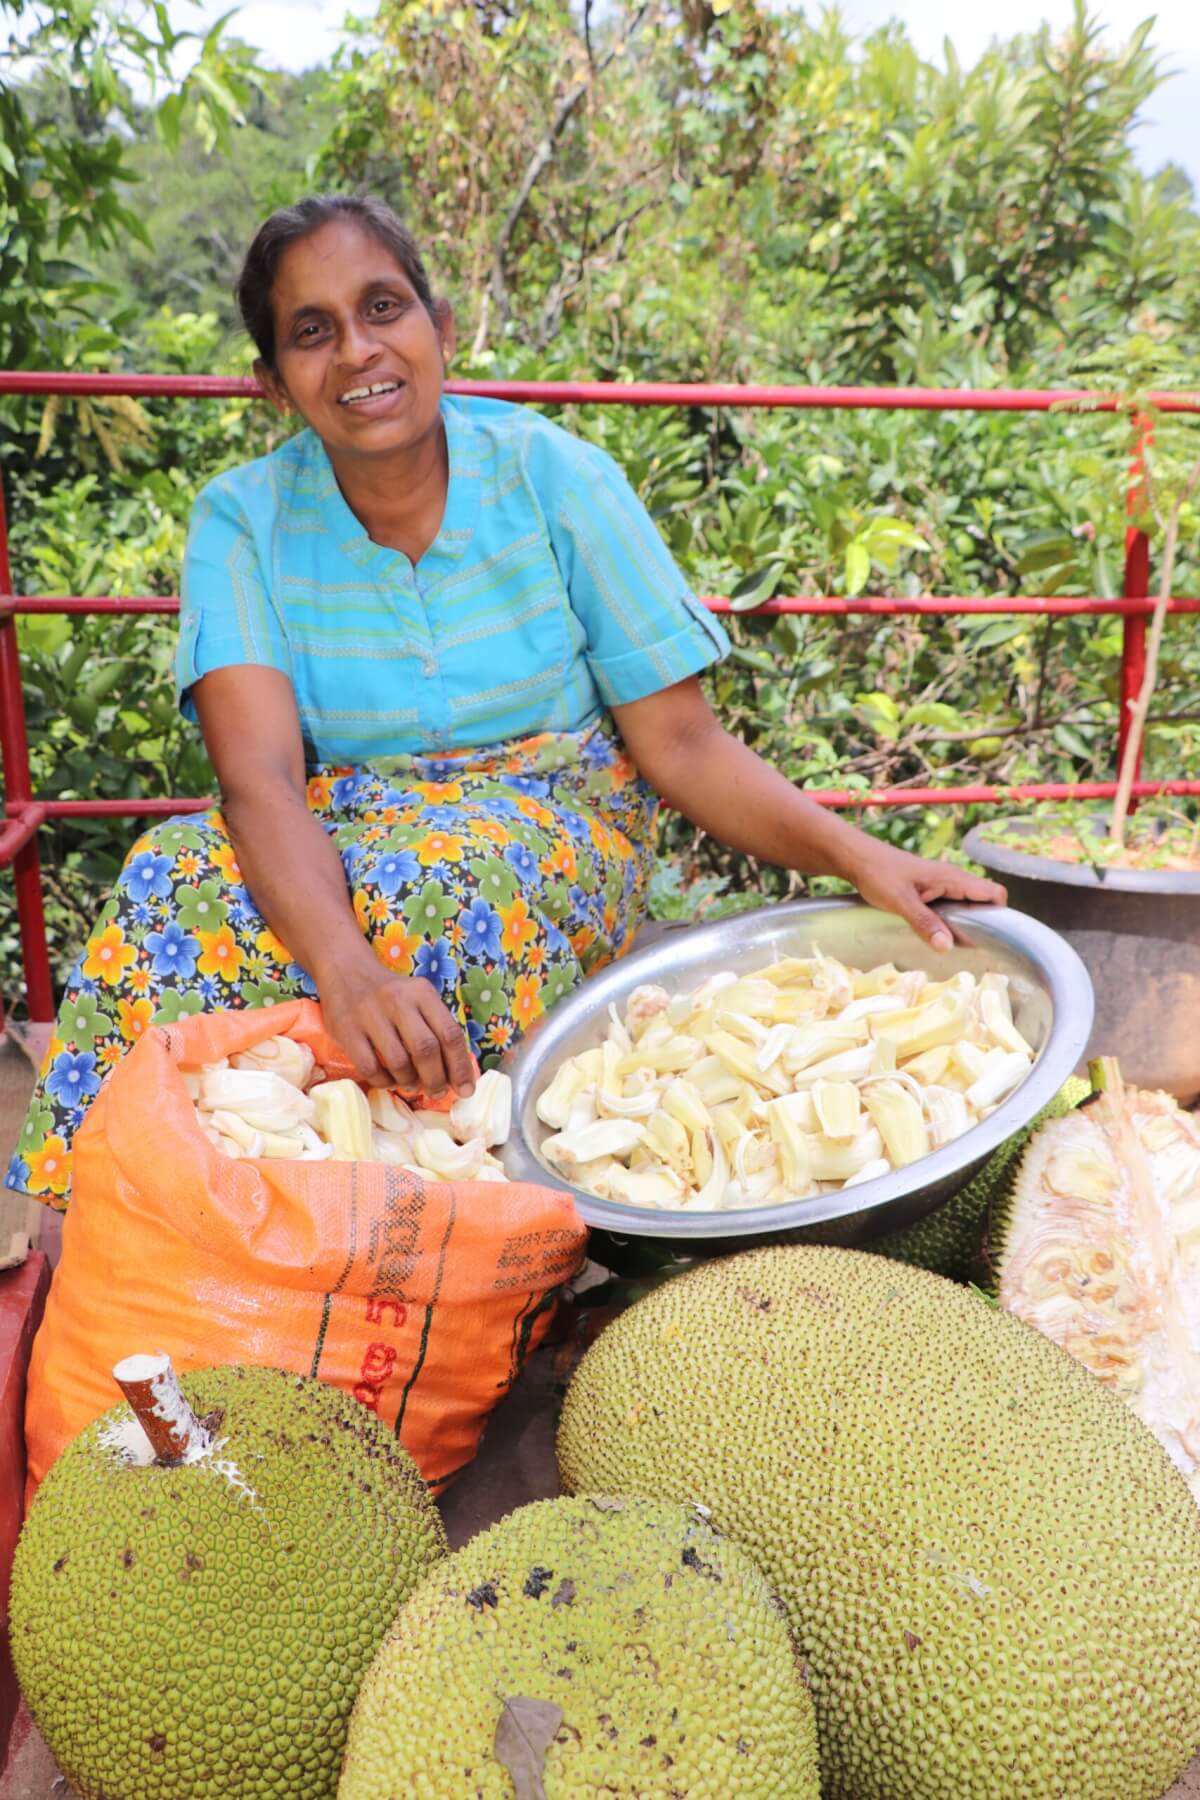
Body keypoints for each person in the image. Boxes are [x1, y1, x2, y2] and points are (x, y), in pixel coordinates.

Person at [7, 193, 1005, 1208]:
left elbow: (686, 744)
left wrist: (860, 855)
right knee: (166, 882)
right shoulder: (242, 519)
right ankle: (162, 1219)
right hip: (342, 816)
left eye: (383, 308)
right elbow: (258, 780)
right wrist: (346, 974)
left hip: (551, 821)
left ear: (440, 330)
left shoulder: (554, 479)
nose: (357, 350)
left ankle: (464, 1223)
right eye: (312, 332)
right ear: (274, 383)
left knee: (446, 886)